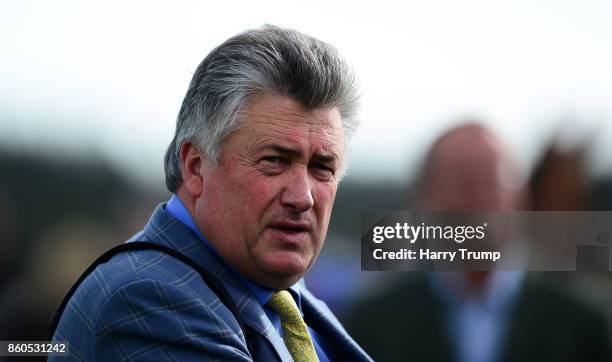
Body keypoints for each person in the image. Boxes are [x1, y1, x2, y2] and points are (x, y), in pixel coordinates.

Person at [51, 25, 372, 362]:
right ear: (195, 167)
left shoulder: (281, 295)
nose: (303, 197)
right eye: (274, 160)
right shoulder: (149, 296)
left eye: (322, 167)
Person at [344, 123, 611, 362]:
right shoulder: (374, 322)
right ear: (424, 199)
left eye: (492, 181)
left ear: (521, 195)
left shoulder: (585, 320)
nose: (480, 199)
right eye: (464, 183)